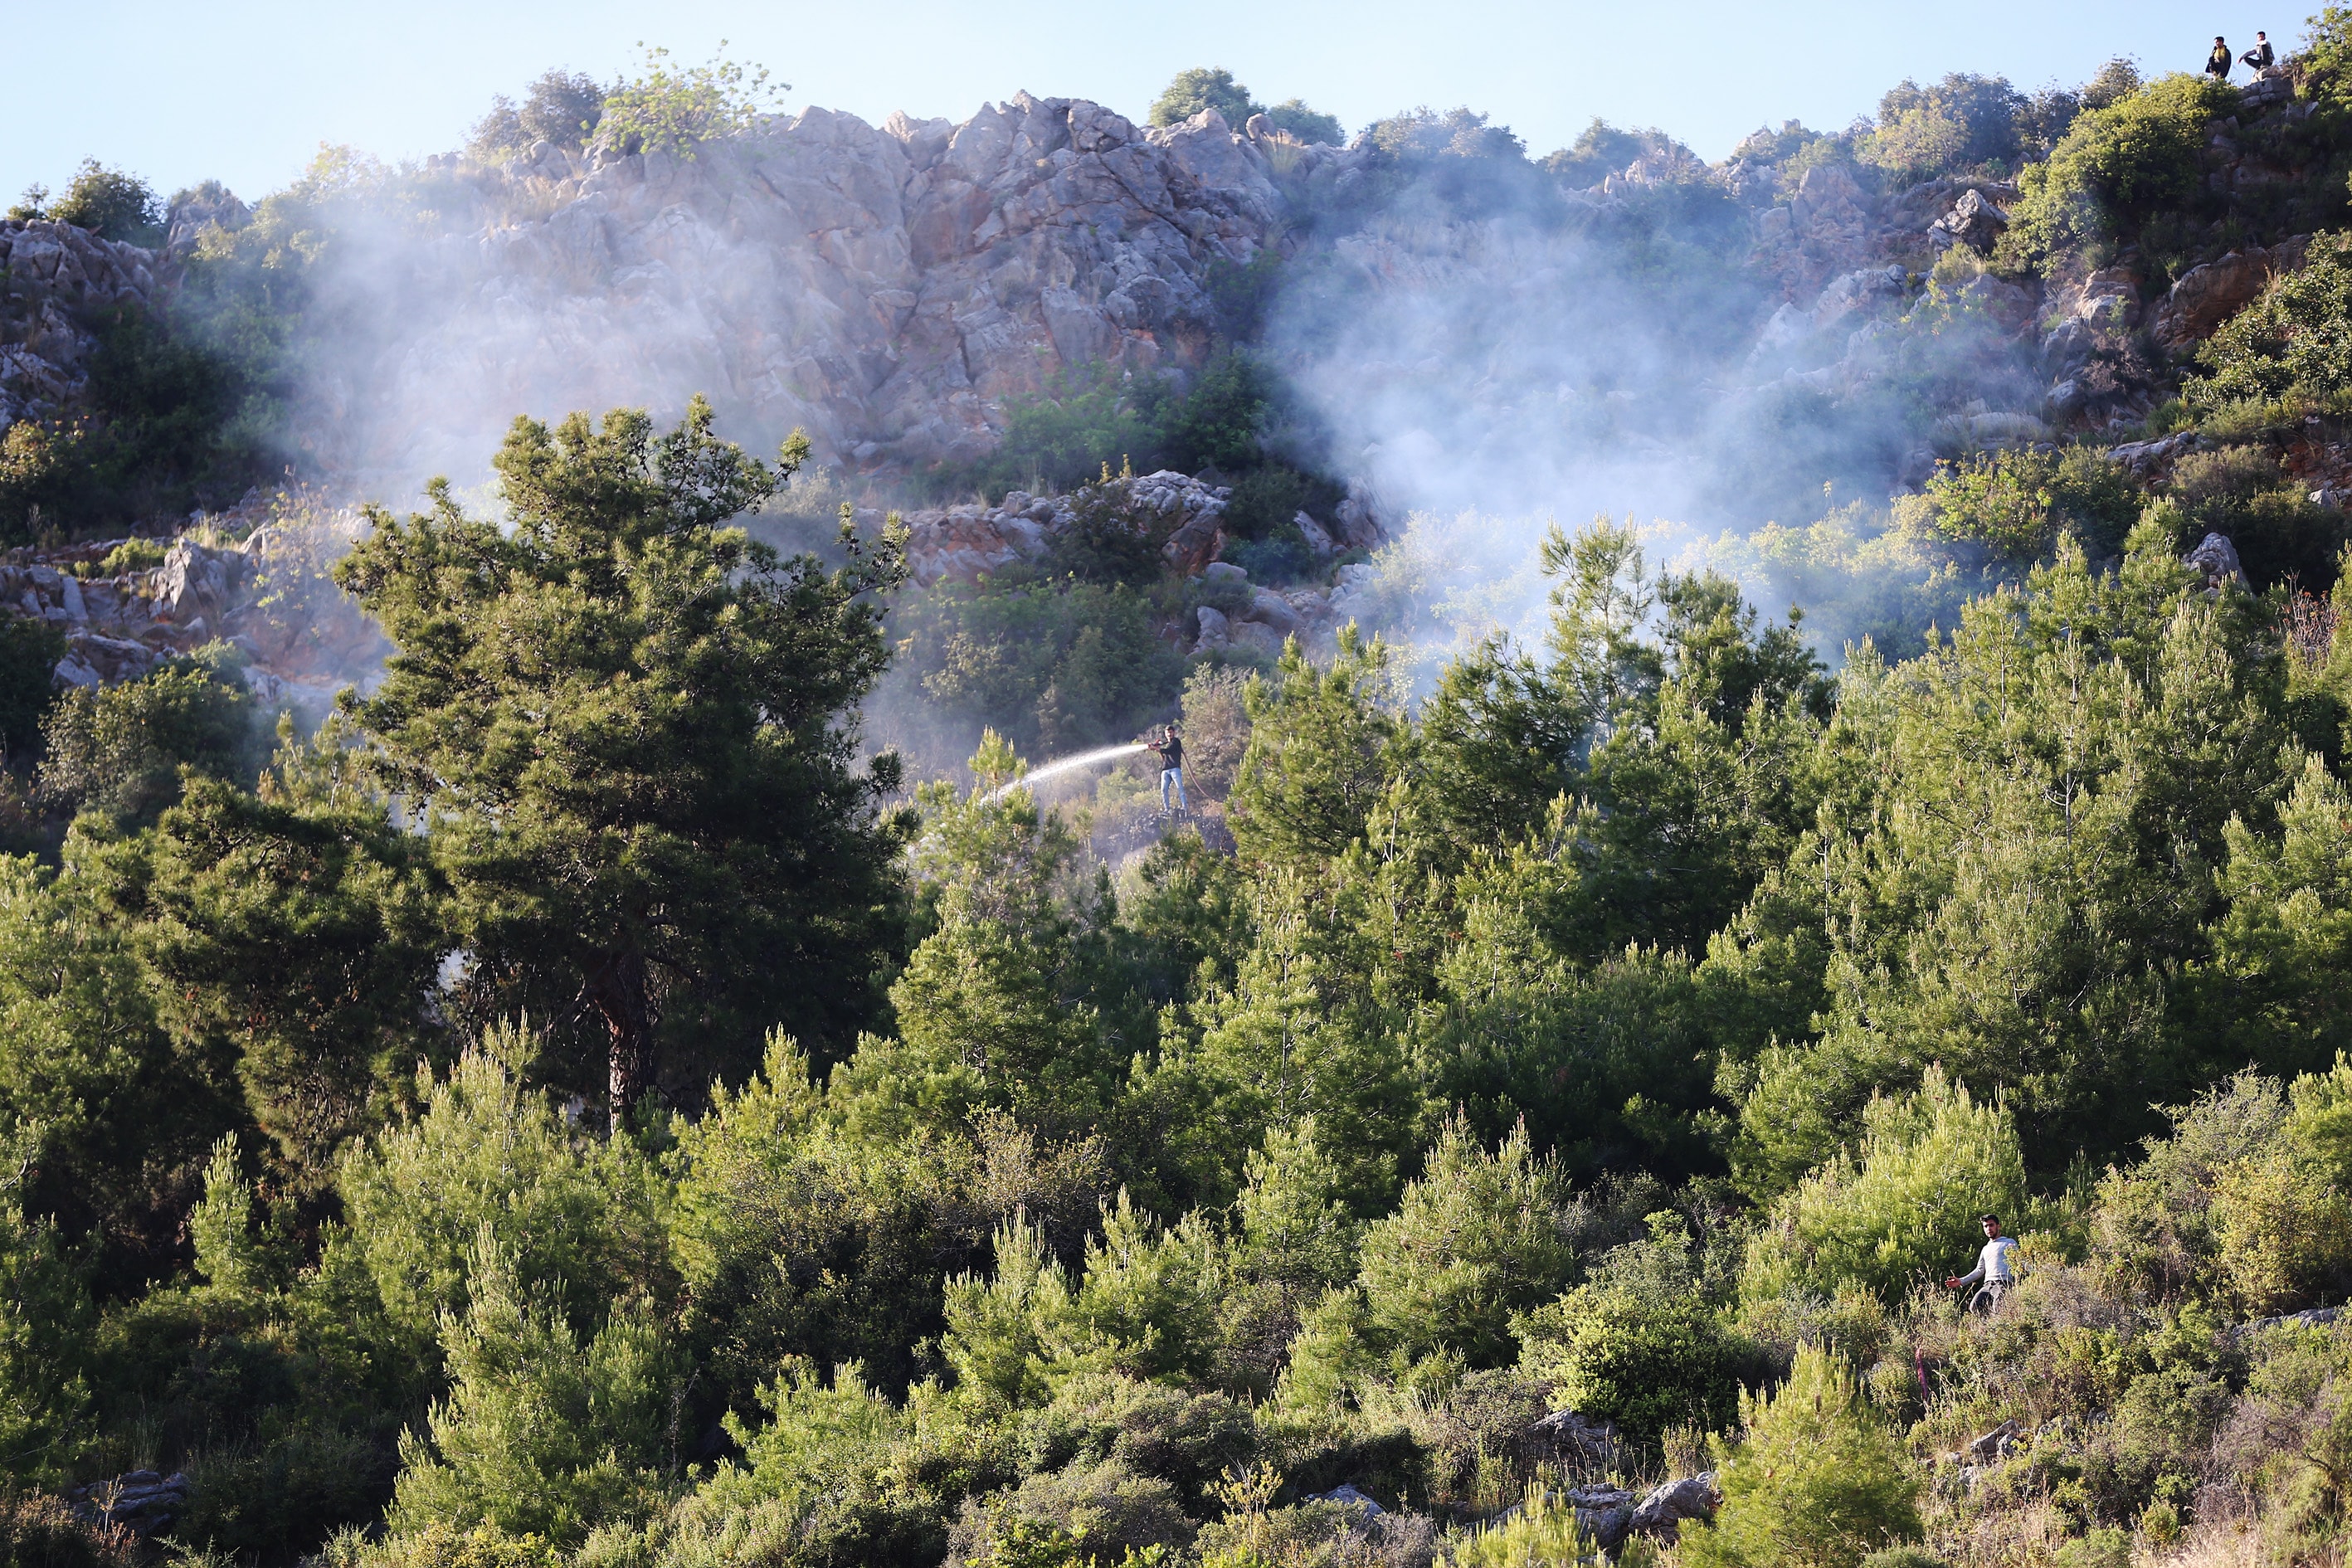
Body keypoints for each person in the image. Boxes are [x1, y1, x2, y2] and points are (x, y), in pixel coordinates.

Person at [1945, 1214, 2020, 1313]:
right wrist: (1961, 1281)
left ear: (1998, 1226)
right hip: (1988, 1284)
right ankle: (1987, 1328)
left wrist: (2036, 1273)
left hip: (2003, 1283)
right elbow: (1980, 1270)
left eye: (1991, 1225)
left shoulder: (2009, 1242)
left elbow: (2020, 1261)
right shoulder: (1986, 1248)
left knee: (1998, 1307)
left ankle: (2000, 1327)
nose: (1989, 1228)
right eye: (1986, 1226)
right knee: (1975, 1306)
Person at [1144, 724, 1186, 815]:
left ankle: (1185, 807)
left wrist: (1156, 748)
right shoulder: (1165, 744)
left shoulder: (1176, 742)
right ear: (1165, 734)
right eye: (1168, 733)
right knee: (1163, 790)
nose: (1169, 734)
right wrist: (1157, 749)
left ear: (1173, 733)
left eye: (1171, 732)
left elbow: (1169, 751)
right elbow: (1163, 757)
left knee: (1180, 788)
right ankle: (1167, 809)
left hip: (1175, 768)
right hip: (1165, 769)